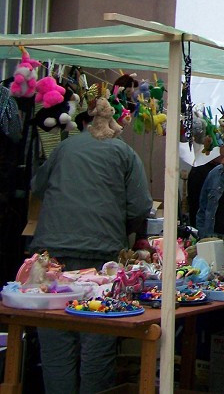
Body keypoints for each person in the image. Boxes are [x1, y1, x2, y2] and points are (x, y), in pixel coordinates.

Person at [30, 97, 152, 394]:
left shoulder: (64, 147)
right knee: (97, 337)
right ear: (115, 125)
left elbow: (37, 186)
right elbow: (140, 206)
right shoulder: (125, 153)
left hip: (52, 254)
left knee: (57, 341)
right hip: (102, 258)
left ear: (83, 122)